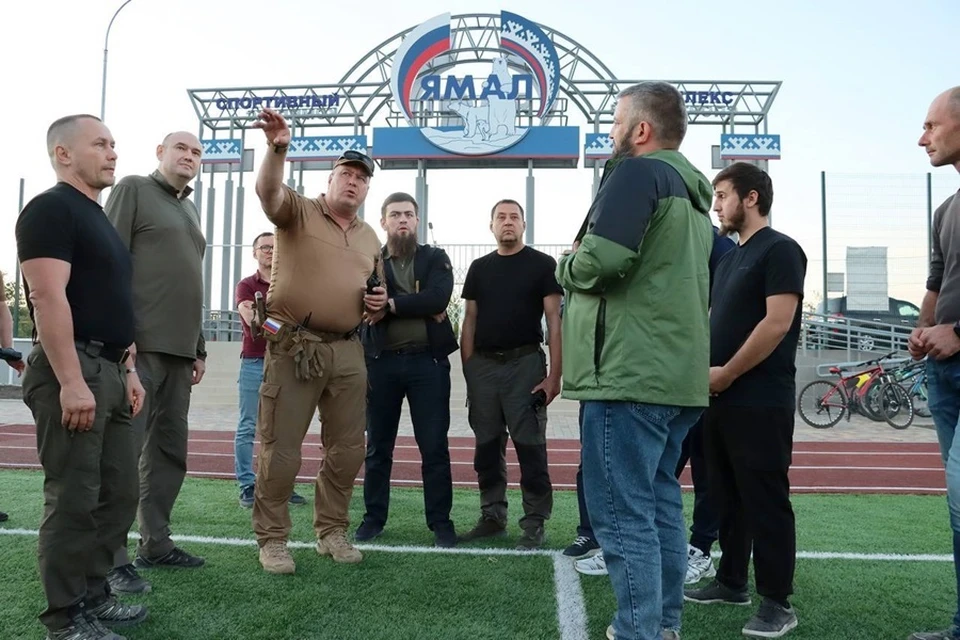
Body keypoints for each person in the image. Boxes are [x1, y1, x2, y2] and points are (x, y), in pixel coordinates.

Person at [556, 81, 713, 640]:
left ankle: (638, 630)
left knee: (622, 514)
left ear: (641, 129)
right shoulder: (696, 196)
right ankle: (662, 625)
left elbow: (602, 261)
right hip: (676, 376)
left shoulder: (638, 173)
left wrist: (565, 266)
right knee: (661, 505)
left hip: (629, 372)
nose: (611, 133)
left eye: (617, 122)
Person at [16, 113, 148, 640]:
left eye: (115, 144)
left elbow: (111, 302)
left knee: (116, 494)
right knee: (74, 496)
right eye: (100, 144)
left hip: (113, 369)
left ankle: (95, 597)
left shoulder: (101, 220)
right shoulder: (50, 210)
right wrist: (71, 380)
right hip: (75, 367)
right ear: (63, 154)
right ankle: (65, 619)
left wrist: (130, 368)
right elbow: (47, 296)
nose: (113, 152)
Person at [251, 108, 386, 575]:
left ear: (368, 189)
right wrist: (278, 148)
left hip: (349, 349)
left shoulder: (371, 236)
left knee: (348, 449)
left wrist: (379, 303)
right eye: (346, 174)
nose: (353, 182)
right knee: (281, 448)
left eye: (361, 178)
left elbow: (376, 289)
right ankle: (272, 540)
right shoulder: (298, 211)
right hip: (294, 346)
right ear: (330, 180)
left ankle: (331, 531)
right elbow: (267, 192)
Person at [570, 226, 736, 584]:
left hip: (692, 369)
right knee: (651, 475)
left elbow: (723, 296)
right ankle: (620, 550)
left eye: (723, 196)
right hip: (649, 370)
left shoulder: (705, 236)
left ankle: (701, 548)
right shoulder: (641, 231)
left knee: (698, 465)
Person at [683, 162, 806, 639]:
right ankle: (731, 581)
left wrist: (728, 373)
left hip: (759, 398)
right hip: (719, 398)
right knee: (724, 495)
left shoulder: (781, 250)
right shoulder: (729, 257)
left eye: (721, 195)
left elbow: (776, 323)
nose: (716, 206)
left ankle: (777, 602)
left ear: (750, 198)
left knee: (765, 499)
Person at [103, 131, 209, 595]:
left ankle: (157, 544)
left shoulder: (189, 207)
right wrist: (120, 337)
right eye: (181, 148)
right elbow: (108, 263)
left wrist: (199, 346)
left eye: (197, 152)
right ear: (160, 153)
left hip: (181, 353)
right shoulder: (132, 189)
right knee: (125, 456)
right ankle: (110, 559)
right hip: (139, 349)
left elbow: (191, 283)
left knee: (170, 454)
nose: (189, 156)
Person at [457, 198, 563, 551]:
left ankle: (534, 523)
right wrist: (470, 369)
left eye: (514, 217)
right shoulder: (478, 268)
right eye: (500, 217)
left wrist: (555, 376)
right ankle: (492, 516)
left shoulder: (542, 265)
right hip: (484, 368)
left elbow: (554, 322)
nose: (507, 222)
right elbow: (468, 320)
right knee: (486, 448)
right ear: (491, 225)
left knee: (530, 448)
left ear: (523, 225)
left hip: (525, 365)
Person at [356, 192, 459, 548]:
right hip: (380, 364)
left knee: (434, 447)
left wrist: (392, 304)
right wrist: (412, 305)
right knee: (378, 447)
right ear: (383, 222)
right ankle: (373, 519)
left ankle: (440, 522)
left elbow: (438, 298)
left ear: (417, 221)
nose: (403, 220)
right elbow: (360, 301)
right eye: (396, 214)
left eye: (409, 214)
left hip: (427, 364)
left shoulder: (434, 257)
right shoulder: (369, 260)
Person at [907, 86, 960, 640]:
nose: (922, 138)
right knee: (958, 507)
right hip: (944, 374)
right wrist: (922, 329)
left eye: (931, 125)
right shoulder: (946, 209)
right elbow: (936, 285)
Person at [675, 225, 736, 585]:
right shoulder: (664, 234)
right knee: (659, 467)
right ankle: (643, 543)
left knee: (706, 466)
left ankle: (700, 546)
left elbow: (725, 302)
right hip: (670, 371)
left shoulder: (717, 244)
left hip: (704, 372)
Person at [233, 231, 306, 509]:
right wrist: (282, 329)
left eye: (274, 248)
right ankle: (247, 485)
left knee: (283, 429)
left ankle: (280, 485)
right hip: (254, 361)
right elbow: (253, 318)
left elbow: (300, 320)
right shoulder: (246, 285)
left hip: (284, 363)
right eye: (264, 247)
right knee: (248, 426)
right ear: (255, 253)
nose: (269, 251)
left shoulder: (289, 285)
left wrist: (279, 328)